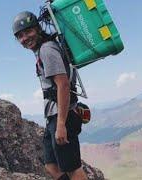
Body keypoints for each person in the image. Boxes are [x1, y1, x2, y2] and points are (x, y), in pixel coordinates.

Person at [12, 11, 87, 180]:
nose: (25, 38)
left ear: (38, 29)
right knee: (51, 166)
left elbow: (63, 84)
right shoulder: (43, 50)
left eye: (28, 32)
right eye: (20, 36)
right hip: (54, 116)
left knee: (72, 168)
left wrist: (61, 124)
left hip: (62, 116)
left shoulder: (47, 50)